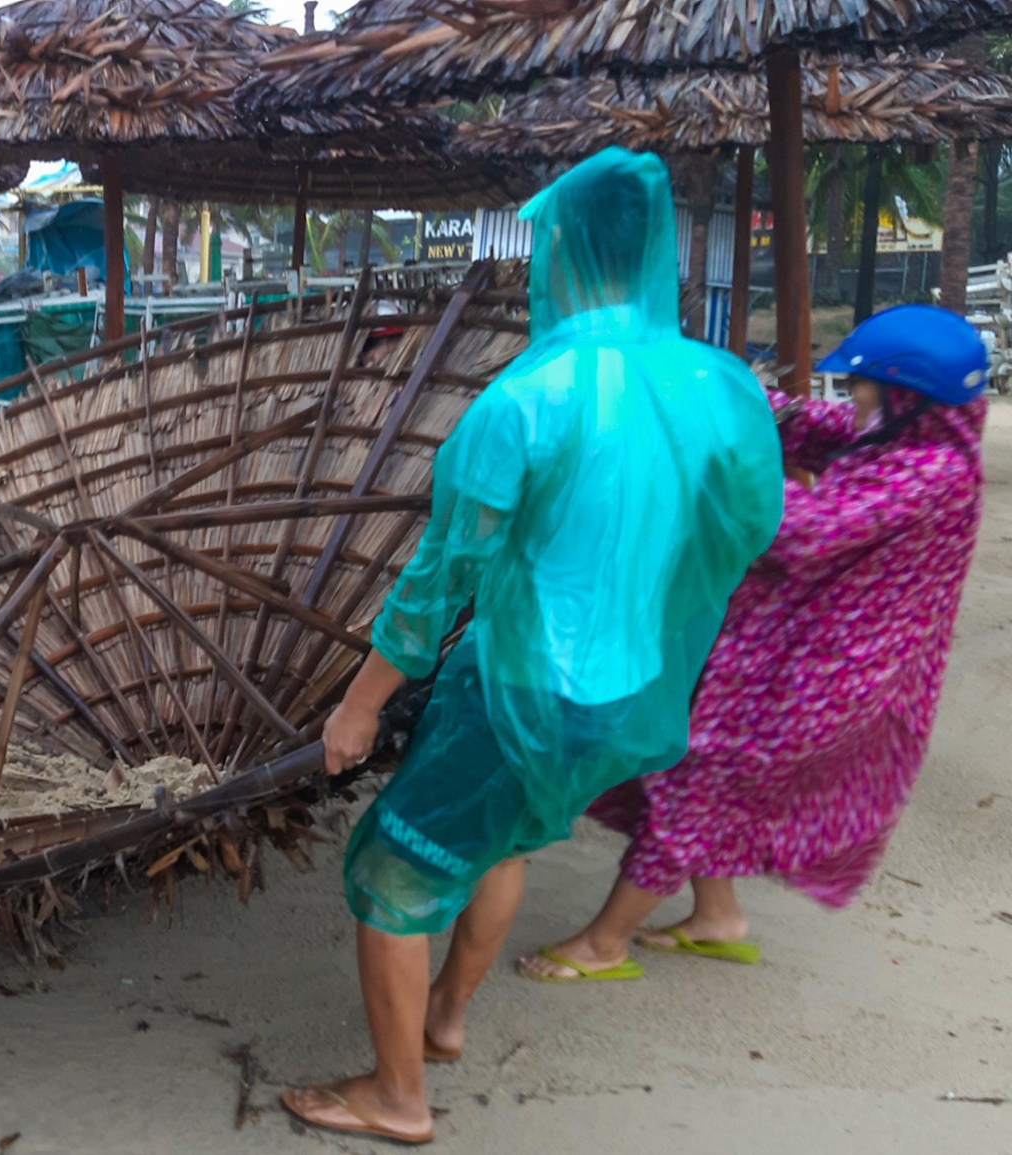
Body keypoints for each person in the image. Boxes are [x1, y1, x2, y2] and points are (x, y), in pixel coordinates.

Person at [280, 148, 786, 1143]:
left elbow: (437, 585)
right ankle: (450, 1019)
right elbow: (747, 527)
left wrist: (360, 703)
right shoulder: (717, 386)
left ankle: (396, 1097)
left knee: (392, 870)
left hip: (522, 683)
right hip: (632, 681)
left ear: (554, 251)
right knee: (497, 835)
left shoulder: (525, 398)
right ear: (652, 251)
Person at [519, 305, 991, 981]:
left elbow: (802, 531)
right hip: (783, 647)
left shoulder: (932, 471)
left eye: (865, 386)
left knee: (699, 777)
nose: (852, 398)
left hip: (830, 673)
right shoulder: (890, 434)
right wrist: (700, 383)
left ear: (907, 395)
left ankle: (604, 941)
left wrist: (706, 474)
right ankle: (719, 917)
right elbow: (795, 420)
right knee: (701, 770)